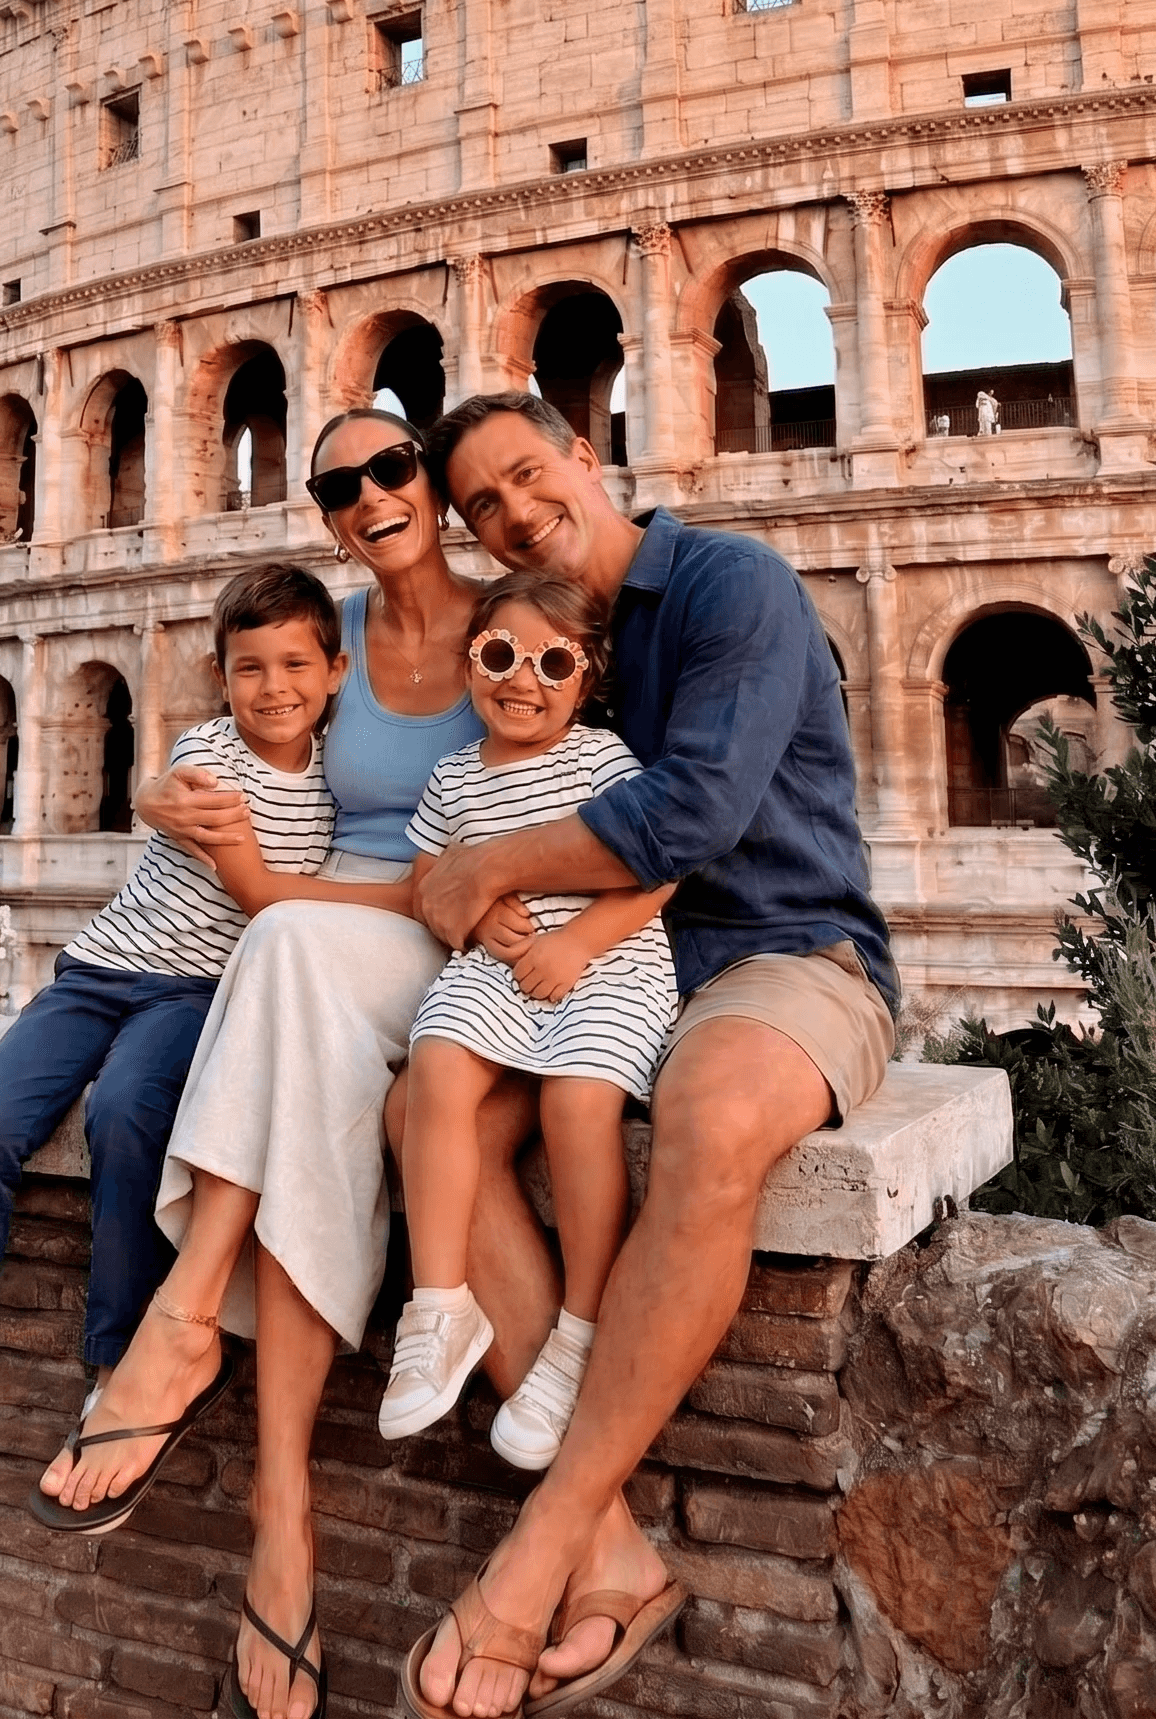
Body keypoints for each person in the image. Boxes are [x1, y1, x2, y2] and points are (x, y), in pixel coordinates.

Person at [399, 391, 898, 1719]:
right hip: (619, 964)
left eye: (523, 475)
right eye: (481, 509)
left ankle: (544, 1542)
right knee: (427, 1115)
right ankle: (615, 1539)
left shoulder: (731, 583)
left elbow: (696, 808)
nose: (511, 512)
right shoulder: (553, 639)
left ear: (583, 451)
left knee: (716, 1121)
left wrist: (485, 868)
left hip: (784, 948)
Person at [36, 409, 494, 1719]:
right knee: (302, 1053)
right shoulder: (328, 637)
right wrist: (154, 797)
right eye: (338, 483)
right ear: (330, 514)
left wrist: (286, 893)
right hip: (305, 930)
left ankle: (184, 1326)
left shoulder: (508, 623)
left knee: (282, 945)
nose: (370, 494)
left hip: (430, 922)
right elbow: (218, 749)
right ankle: (277, 1521)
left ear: (433, 482)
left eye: (393, 467)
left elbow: (522, 825)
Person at [0, 562, 341, 1534]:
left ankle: (115, 1371)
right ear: (220, 673)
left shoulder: (334, 792)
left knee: (125, 1119)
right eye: (249, 667)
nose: (272, 687)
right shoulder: (208, 751)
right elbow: (253, 886)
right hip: (99, 968)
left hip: (198, 993)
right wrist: (158, 790)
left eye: (294, 664)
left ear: (334, 670)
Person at [381, 573, 676, 1473]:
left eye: (554, 663)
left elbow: (659, 869)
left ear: (585, 681)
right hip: (498, 965)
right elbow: (430, 884)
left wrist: (580, 940)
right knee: (433, 1067)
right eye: (501, 655)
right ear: (471, 663)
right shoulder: (453, 773)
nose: (524, 680)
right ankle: (439, 1305)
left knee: (577, 1107)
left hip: (607, 962)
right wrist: (468, 915)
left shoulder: (602, 760)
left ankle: (580, 1328)